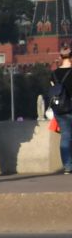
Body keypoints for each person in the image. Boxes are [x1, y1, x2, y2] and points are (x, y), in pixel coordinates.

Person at [49, 44, 72, 174]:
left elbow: (53, 90)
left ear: (60, 57)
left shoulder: (54, 74)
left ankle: (68, 166)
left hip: (59, 109)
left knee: (65, 136)